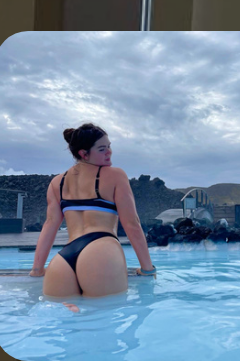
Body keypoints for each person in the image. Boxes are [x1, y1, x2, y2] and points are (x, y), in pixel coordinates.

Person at [30, 123, 157, 301]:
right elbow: (132, 224)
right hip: (101, 252)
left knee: (68, 317)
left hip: (63, 262)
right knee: (104, 316)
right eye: (102, 149)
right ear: (84, 153)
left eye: (109, 146)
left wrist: (37, 270)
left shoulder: (57, 183)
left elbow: (50, 225)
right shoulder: (115, 175)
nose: (109, 152)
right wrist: (147, 269)